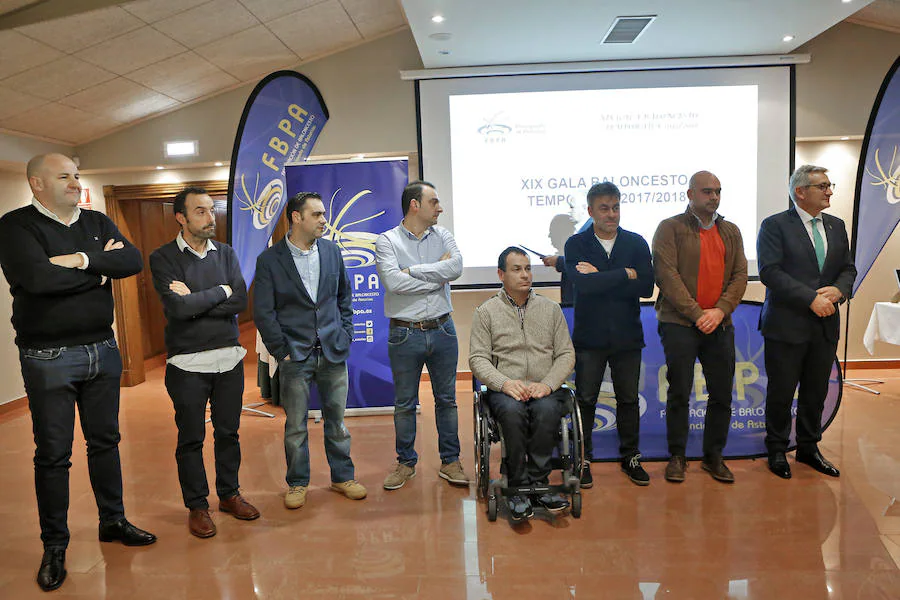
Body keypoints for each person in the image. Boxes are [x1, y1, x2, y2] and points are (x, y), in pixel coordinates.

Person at [0, 153, 156, 592]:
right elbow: (37, 280)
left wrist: (79, 261)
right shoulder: (16, 226)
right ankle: (55, 546)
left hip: (102, 350)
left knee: (105, 442)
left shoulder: (96, 221)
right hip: (47, 356)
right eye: (63, 176)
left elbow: (131, 262)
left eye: (76, 175)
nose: (74, 182)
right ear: (36, 183)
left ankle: (114, 520)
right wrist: (99, 271)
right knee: (53, 454)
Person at [149, 187, 259, 538]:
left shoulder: (225, 253)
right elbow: (178, 309)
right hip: (187, 364)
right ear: (181, 217)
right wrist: (220, 292)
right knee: (191, 437)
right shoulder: (163, 258)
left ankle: (229, 494)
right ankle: (197, 506)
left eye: (212, 210)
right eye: (200, 211)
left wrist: (201, 299)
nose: (210, 218)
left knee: (229, 432)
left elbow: (240, 300)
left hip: (229, 358)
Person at [254, 192, 366, 509]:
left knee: (337, 423)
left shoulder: (331, 252)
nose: (323, 220)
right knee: (295, 428)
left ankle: (343, 477)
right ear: (296, 217)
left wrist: (346, 333)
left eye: (323, 214)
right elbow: (264, 312)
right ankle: (298, 483)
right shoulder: (270, 260)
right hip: (295, 356)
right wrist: (282, 351)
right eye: (316, 214)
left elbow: (344, 297)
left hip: (332, 351)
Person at [758, 165, 856, 479]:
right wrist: (810, 298)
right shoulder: (774, 225)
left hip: (824, 325)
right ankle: (776, 449)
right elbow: (770, 272)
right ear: (800, 191)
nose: (830, 191)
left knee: (815, 391)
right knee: (782, 391)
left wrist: (839, 290)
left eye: (830, 185)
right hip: (787, 324)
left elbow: (848, 269)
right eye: (822, 185)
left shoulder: (837, 226)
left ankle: (809, 447)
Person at [652, 170, 748, 484]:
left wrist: (719, 312)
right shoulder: (670, 228)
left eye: (718, 191)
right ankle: (677, 456)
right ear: (691, 194)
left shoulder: (731, 230)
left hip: (719, 324)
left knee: (721, 394)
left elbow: (739, 276)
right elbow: (667, 276)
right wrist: (697, 314)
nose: (714, 197)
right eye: (707, 191)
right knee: (679, 392)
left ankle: (713, 457)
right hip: (679, 322)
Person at [469, 247, 576, 521]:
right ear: (501, 274)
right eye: (517, 269)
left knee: (547, 410)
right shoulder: (486, 312)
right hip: (506, 389)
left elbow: (566, 354)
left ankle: (539, 484)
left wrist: (549, 384)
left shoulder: (551, 309)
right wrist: (504, 383)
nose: (525, 274)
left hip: (544, 386)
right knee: (512, 412)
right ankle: (516, 485)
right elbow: (478, 359)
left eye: (528, 268)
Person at [375, 180, 469, 490]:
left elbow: (455, 268)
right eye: (434, 202)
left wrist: (412, 272)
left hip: (443, 329)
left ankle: (450, 461)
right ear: (415, 205)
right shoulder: (387, 241)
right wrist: (434, 277)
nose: (439, 208)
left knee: (447, 401)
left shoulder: (442, 235)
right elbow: (393, 283)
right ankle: (405, 463)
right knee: (404, 404)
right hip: (404, 333)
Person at [565, 182, 654, 487]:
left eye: (616, 207)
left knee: (628, 399)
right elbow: (584, 286)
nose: (611, 214)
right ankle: (583, 458)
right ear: (590, 211)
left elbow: (645, 287)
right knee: (586, 400)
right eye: (604, 208)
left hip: (628, 337)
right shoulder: (576, 244)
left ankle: (631, 457)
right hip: (590, 338)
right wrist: (623, 275)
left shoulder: (636, 243)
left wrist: (602, 276)